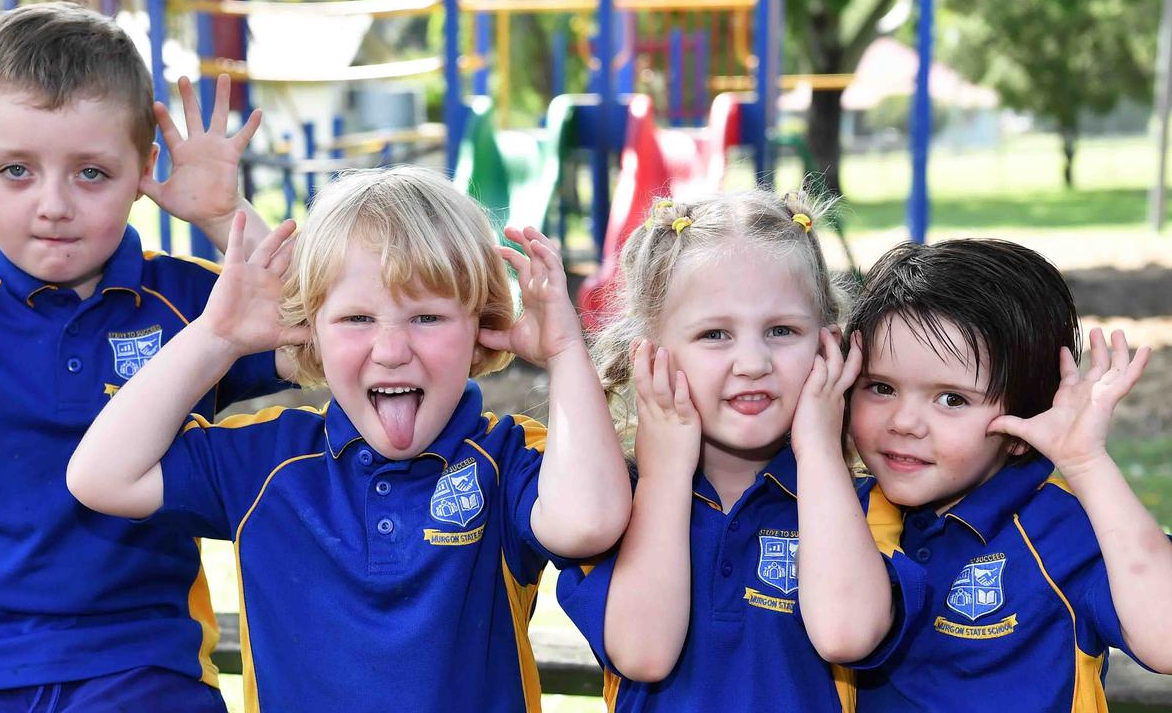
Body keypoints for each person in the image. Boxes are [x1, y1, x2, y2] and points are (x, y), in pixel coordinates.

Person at [66, 166, 633, 712]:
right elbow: (100, 476)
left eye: (427, 318)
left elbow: (589, 522)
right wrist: (216, 339)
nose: (391, 350)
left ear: (482, 329)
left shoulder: (508, 458)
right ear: (309, 329)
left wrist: (564, 354)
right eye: (357, 319)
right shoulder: (266, 462)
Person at [0, 3, 283, 711]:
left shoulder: (195, 302)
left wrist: (229, 219)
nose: (54, 205)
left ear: (144, 168)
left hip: (146, 666)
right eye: (15, 170)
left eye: (92, 174)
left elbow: (339, 333)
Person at [556, 191, 920, 712]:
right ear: (650, 354)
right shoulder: (611, 501)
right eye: (715, 334)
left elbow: (848, 634)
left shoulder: (869, 505)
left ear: (827, 346)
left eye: (781, 330)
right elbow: (642, 654)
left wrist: (818, 451)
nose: (752, 362)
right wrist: (663, 479)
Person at [817, 238, 1172, 710]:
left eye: (952, 399)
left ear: (1023, 424)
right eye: (881, 387)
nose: (903, 422)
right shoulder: (837, 513)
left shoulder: (1059, 528)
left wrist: (1086, 462)